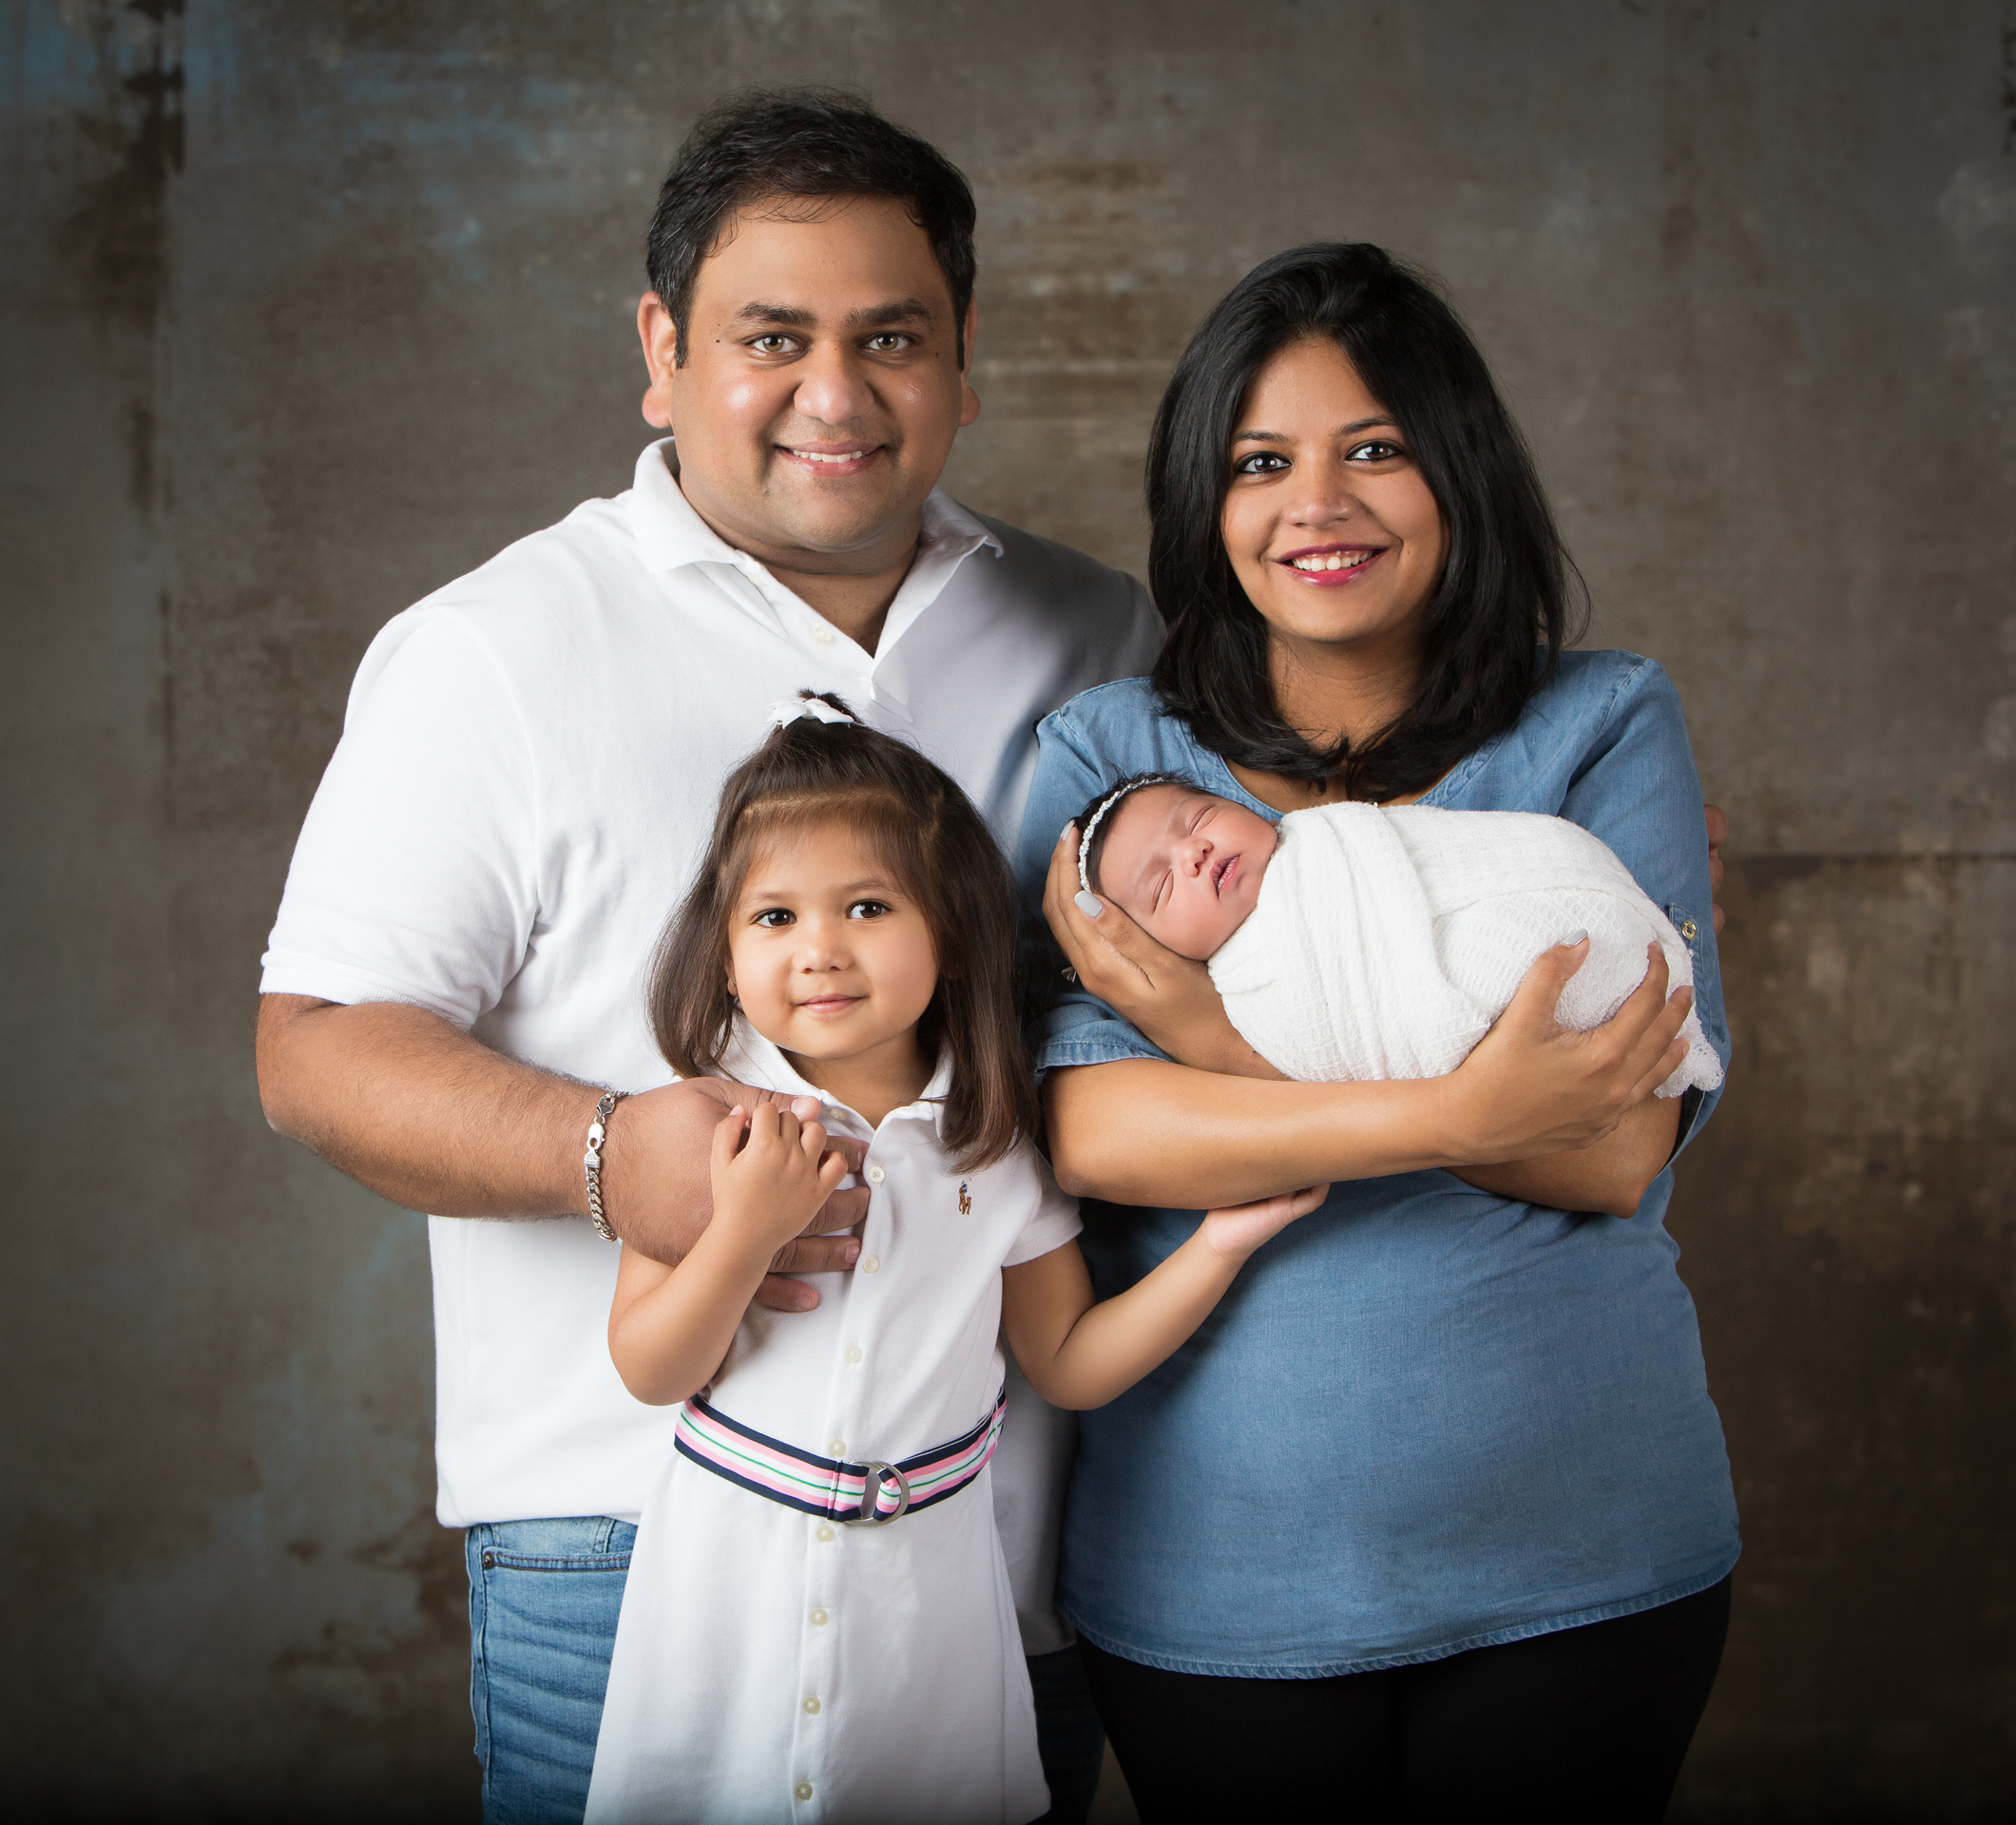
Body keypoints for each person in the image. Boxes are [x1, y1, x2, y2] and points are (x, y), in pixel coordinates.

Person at [255, 89, 1158, 1823]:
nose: (836, 392)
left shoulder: (1095, 630)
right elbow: (315, 1046)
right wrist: (611, 1157)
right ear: (661, 352)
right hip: (626, 1538)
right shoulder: (492, 650)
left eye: (890, 336)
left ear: (965, 361)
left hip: (998, 1554)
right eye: (772, 338)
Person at [1017, 242, 1739, 1819]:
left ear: (1460, 470)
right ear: (1206, 505)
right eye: (1261, 462)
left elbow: (1616, 1146)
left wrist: (1201, 1031)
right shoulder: (1111, 763)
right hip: (1215, 1574)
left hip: (1587, 1550)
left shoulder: (1598, 725)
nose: (1316, 504)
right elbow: (1088, 1134)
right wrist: (1474, 1114)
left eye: (1375, 450)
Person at [579, 698, 1324, 1824]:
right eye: (773, 916)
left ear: (955, 932)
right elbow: (648, 1363)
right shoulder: (704, 1129)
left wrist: (1219, 1244)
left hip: (927, 1604)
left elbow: (1067, 1361)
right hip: (727, 1595)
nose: (819, 949)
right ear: (726, 957)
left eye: (867, 907)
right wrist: (742, 1228)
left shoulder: (1003, 1143)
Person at [1072, 773, 1721, 1101]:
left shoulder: (1333, 837)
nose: (1193, 853)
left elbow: (1467, 852)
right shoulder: (1246, 989)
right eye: (1160, 887)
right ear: (1154, 948)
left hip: (1530, 909)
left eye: (1200, 818)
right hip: (1453, 1005)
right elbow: (1329, 1056)